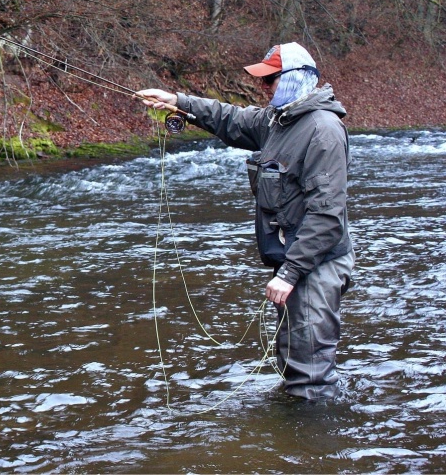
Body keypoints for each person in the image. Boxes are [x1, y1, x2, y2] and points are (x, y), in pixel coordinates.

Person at [137, 41, 354, 400]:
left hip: (316, 264)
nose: (262, 87)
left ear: (295, 80)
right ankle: (291, 442)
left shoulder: (322, 131)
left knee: (311, 373)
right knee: (292, 360)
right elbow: (230, 118)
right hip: (296, 262)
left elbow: (328, 216)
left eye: (270, 81)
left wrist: (290, 272)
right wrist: (178, 102)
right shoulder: (278, 121)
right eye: (262, 81)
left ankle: (316, 446)